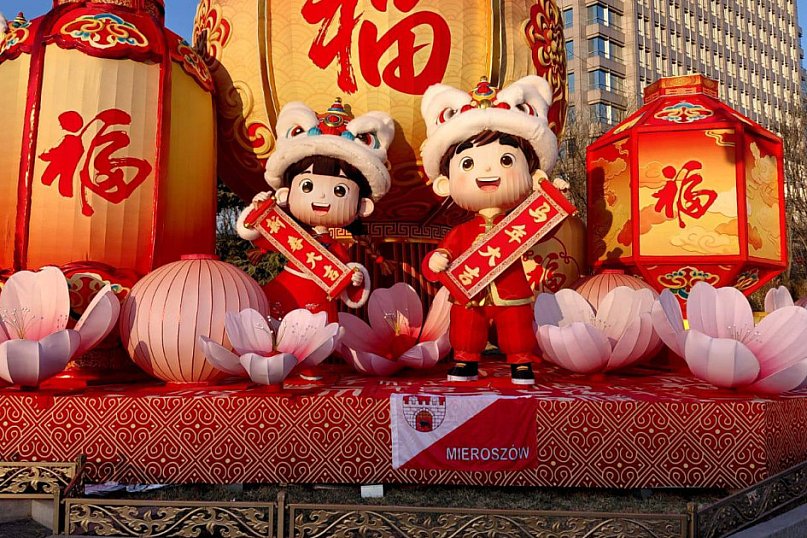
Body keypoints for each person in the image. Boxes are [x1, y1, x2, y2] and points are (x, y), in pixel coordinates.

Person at [419, 76, 558, 385]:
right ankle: (465, 359)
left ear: (534, 176)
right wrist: (437, 259)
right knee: (467, 321)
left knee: (516, 323)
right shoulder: (463, 230)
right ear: (445, 184)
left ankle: (521, 362)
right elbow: (444, 252)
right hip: (471, 292)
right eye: (467, 164)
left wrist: (552, 202)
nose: (487, 171)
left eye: (506, 160)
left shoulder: (521, 223)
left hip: (511, 288)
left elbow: (545, 231)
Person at [237, 98, 394, 321]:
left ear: (362, 206)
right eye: (307, 186)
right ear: (285, 194)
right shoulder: (289, 233)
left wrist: (355, 277)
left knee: (319, 331)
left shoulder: (335, 247)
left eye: (340, 190)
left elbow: (345, 281)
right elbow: (251, 232)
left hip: (319, 299)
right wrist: (257, 209)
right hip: (285, 289)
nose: (321, 197)